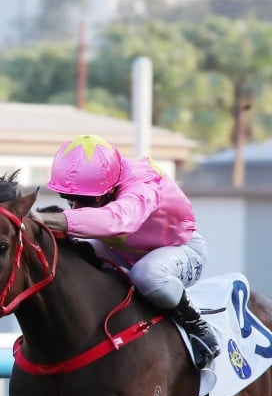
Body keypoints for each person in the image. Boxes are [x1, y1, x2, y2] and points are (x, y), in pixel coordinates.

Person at [32, 134, 220, 370]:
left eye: (84, 200)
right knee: (71, 257)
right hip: (121, 249)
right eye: (69, 199)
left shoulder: (142, 185)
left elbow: (117, 220)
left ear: (108, 190)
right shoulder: (101, 184)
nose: (76, 207)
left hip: (179, 249)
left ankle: (197, 324)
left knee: (148, 274)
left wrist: (48, 219)